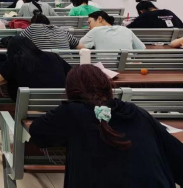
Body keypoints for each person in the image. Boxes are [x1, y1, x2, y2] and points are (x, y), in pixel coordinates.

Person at [29, 64, 183, 188]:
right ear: (108, 87)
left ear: (71, 92)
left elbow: (37, 133)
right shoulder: (136, 112)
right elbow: (177, 156)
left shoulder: (71, 112)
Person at [0, 36, 71, 101]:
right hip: (60, 107)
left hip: (29, 110)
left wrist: (7, 79)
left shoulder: (16, 60)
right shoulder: (53, 56)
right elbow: (71, 75)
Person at [78, 11, 145, 50]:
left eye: (89, 22)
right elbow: (142, 49)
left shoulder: (95, 31)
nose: (89, 27)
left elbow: (78, 46)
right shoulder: (126, 30)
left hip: (105, 68)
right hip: (128, 68)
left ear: (99, 19)